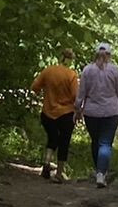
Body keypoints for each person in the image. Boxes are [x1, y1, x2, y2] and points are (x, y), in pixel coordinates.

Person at [74, 42, 118, 188]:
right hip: (111, 112)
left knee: (96, 141)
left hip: (91, 112)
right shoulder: (115, 71)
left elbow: (81, 93)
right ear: (109, 55)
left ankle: (99, 171)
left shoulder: (87, 70)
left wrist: (77, 109)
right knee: (105, 143)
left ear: (95, 54)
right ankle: (101, 173)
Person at [30, 50, 80, 182]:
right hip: (66, 113)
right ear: (70, 60)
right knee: (64, 142)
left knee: (52, 138)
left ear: (60, 57)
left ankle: (46, 163)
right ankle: (59, 173)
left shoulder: (48, 71)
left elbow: (35, 87)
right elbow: (75, 96)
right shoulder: (71, 75)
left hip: (47, 112)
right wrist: (79, 110)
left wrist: (45, 94)